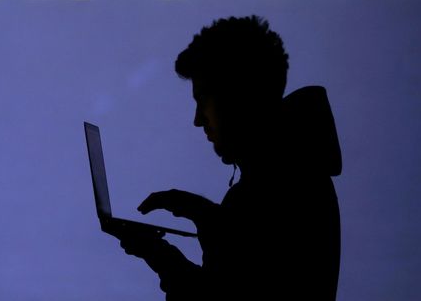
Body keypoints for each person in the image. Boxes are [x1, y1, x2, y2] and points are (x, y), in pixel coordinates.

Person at [107, 15, 342, 300]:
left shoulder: (264, 195)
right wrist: (203, 214)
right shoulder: (301, 176)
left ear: (239, 99)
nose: (197, 120)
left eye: (203, 101)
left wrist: (159, 254)